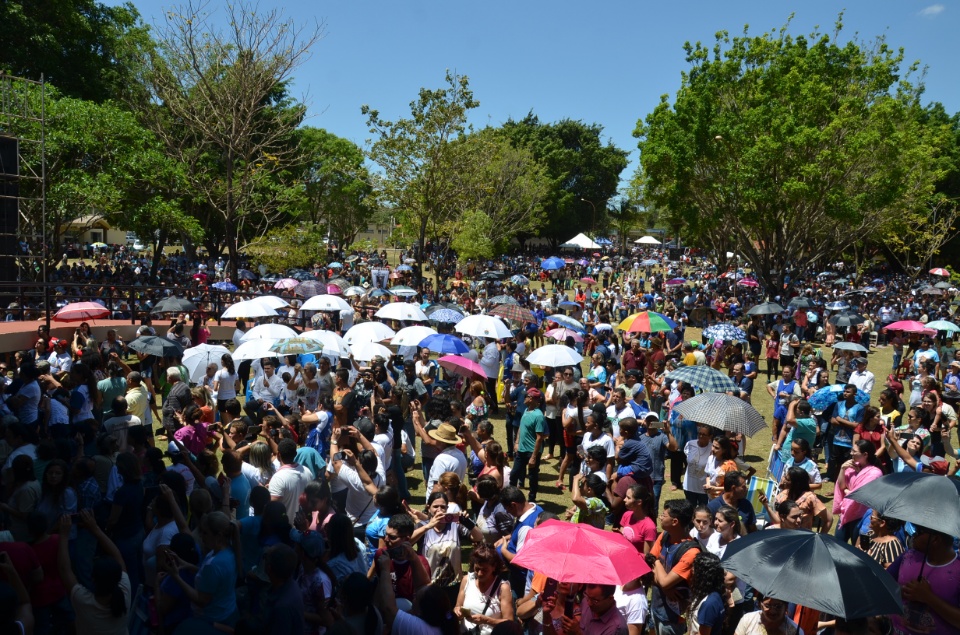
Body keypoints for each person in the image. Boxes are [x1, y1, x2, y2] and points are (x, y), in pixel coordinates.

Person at [57, 511, 130, 635]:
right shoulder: (125, 590)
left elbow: (65, 570)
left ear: (93, 580)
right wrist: (95, 528)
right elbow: (118, 556)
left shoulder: (83, 601)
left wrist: (64, 535)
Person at [888, 525, 960, 635]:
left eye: (919, 532)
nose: (913, 535)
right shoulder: (907, 557)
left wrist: (928, 598)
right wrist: (901, 591)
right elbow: (883, 584)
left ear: (935, 539)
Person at [648, 499, 702, 635]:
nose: (660, 517)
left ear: (675, 522)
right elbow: (648, 565)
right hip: (656, 606)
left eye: (664, 515)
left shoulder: (691, 552)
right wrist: (664, 587)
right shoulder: (664, 536)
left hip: (673, 617)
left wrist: (657, 562)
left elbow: (665, 582)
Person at [453, 544, 514, 635]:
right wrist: (457, 612)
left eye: (485, 570)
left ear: (494, 567)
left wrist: (487, 620)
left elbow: (509, 623)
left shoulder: (502, 588)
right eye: (477, 569)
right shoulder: (467, 580)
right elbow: (457, 606)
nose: (480, 573)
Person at [832, 440, 883, 544]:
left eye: (854, 451)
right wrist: (842, 469)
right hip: (847, 512)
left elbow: (858, 495)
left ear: (865, 455)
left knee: (857, 545)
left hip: (861, 515)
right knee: (838, 542)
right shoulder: (851, 468)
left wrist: (847, 490)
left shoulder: (874, 473)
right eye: (852, 450)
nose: (851, 453)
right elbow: (841, 486)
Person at [511, 387, 548, 501]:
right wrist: (516, 442)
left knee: (532, 477)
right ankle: (512, 496)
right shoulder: (526, 411)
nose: (524, 398)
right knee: (513, 475)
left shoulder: (538, 416)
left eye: (526, 396)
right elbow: (520, 428)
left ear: (531, 399)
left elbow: (539, 437)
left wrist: (533, 456)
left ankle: (532, 499)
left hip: (532, 451)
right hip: (521, 450)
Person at [684, 553, 726, 635]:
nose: (692, 570)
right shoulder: (715, 594)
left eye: (695, 567)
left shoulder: (708, 604)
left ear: (703, 573)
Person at [734, 596, 801, 635]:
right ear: (760, 605)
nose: (772, 611)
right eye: (767, 605)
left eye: (778, 606)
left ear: (786, 607)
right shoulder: (748, 619)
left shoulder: (795, 631)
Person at [683, 426, 713, 507]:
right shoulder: (690, 444)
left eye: (704, 434)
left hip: (703, 488)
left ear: (710, 436)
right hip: (689, 486)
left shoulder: (713, 449)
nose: (701, 436)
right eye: (699, 433)